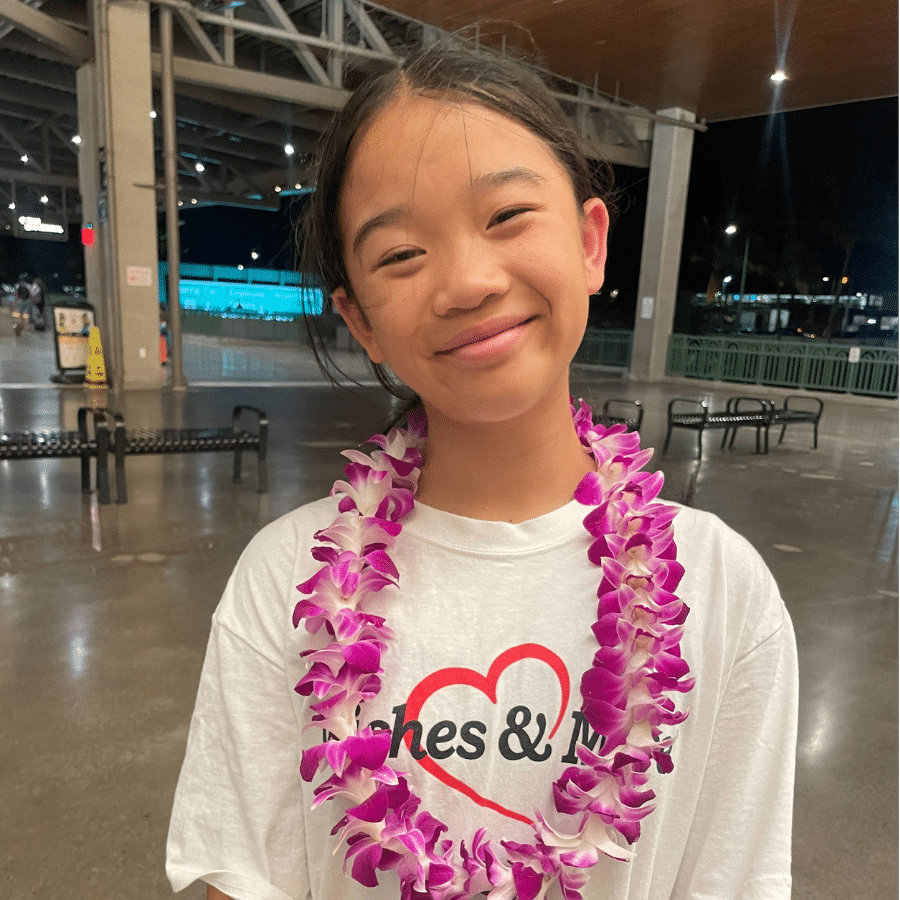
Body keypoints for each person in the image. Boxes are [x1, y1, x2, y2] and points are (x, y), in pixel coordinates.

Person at [167, 36, 798, 900]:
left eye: (506, 217)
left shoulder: (723, 591)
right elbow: (236, 875)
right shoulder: (280, 581)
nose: (466, 281)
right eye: (399, 254)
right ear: (362, 322)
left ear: (590, 241)